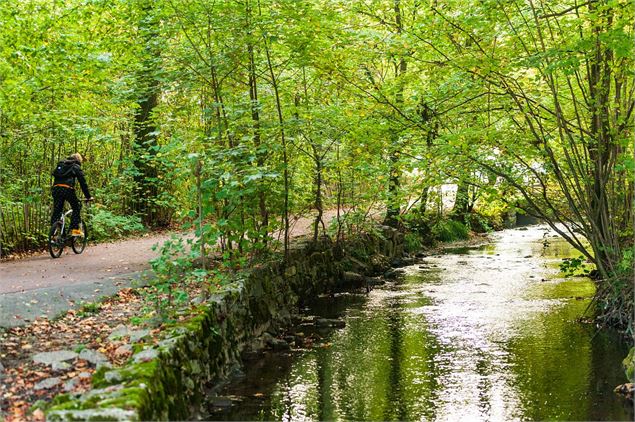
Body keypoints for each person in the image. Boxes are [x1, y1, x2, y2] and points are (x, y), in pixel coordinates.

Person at [51, 152, 93, 236]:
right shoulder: (76, 167)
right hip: (67, 189)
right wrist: (88, 196)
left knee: (57, 210)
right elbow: (83, 183)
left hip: (56, 189)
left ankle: (54, 233)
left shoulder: (61, 164)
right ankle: (74, 230)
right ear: (78, 160)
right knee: (76, 207)